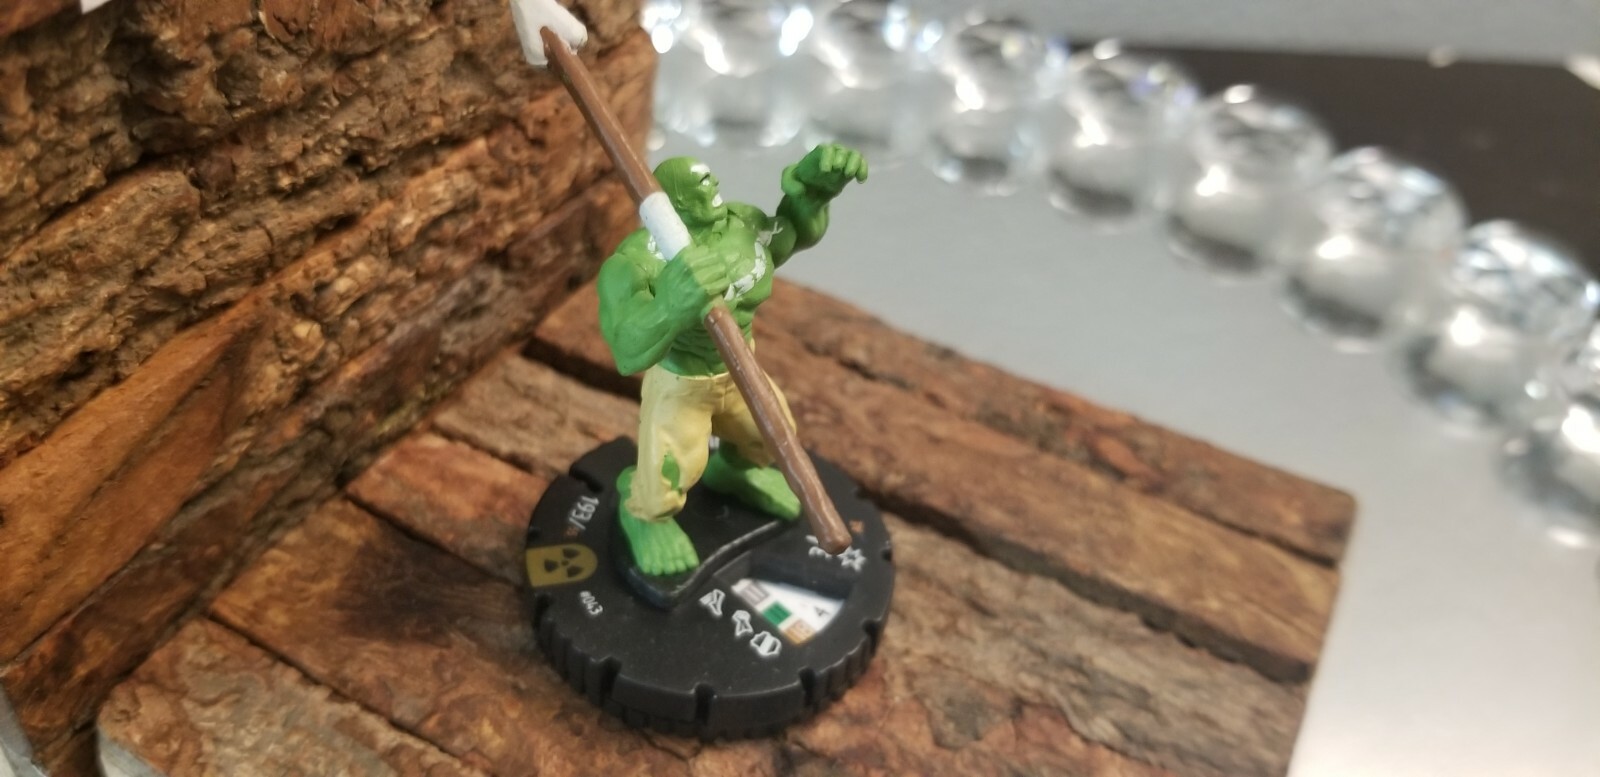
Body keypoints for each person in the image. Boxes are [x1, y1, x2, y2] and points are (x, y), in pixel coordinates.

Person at [596, 143, 868, 575]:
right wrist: (669, 305)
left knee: (771, 437)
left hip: (740, 370)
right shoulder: (637, 262)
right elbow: (626, 350)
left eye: (711, 177)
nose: (714, 184)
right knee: (671, 472)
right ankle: (644, 515)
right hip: (681, 383)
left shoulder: (741, 226)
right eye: (701, 183)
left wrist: (813, 194)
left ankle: (734, 472)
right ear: (676, 203)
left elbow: (794, 232)